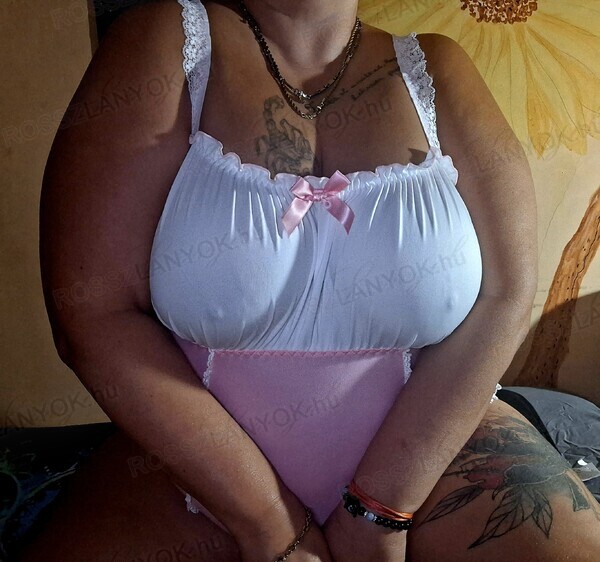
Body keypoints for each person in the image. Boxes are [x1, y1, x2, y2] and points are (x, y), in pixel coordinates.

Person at [23, 0, 600, 560]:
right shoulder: (167, 39)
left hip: (429, 457)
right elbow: (93, 314)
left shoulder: (437, 67)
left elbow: (506, 295)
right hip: (208, 469)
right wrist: (272, 529)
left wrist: (380, 510)